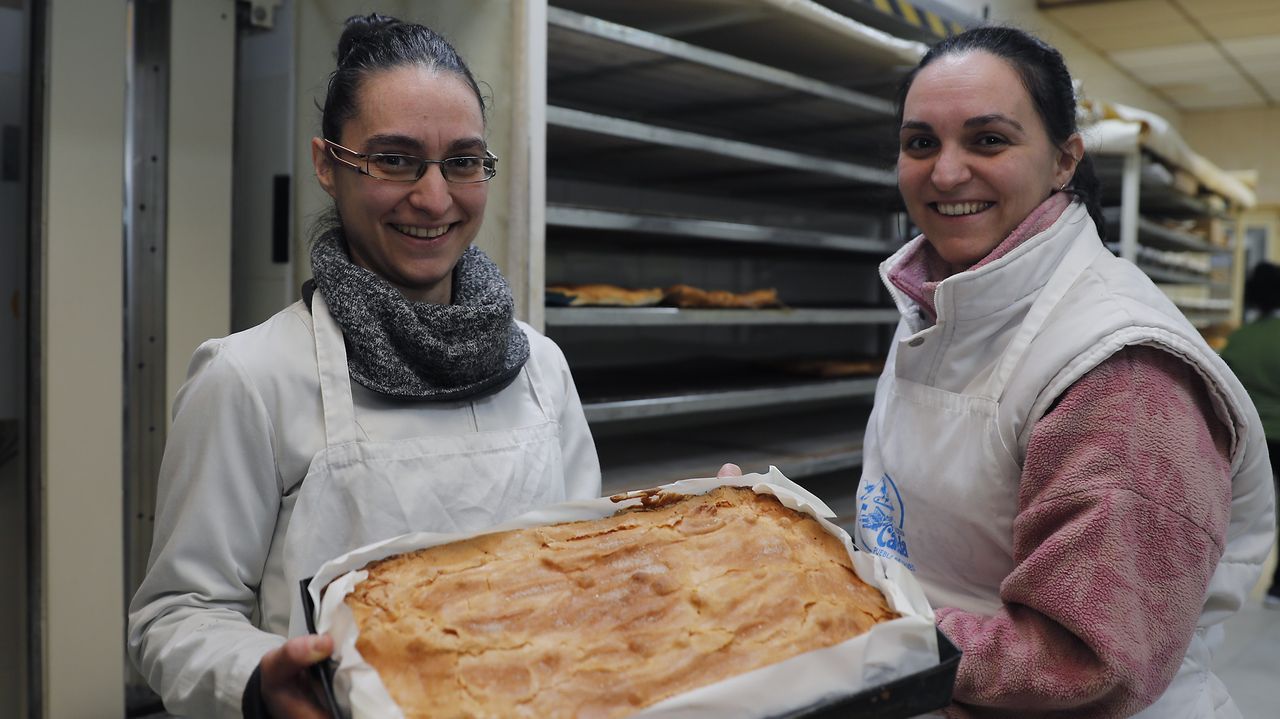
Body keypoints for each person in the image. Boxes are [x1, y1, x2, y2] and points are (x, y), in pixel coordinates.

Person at [127, 14, 601, 719]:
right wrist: (259, 679)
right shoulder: (247, 378)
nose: (435, 198)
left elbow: (587, 571)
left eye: (463, 161)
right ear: (327, 164)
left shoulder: (540, 366)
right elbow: (177, 613)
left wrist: (703, 532)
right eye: (395, 160)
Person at [847, 25, 1274, 719]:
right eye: (921, 142)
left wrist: (854, 626)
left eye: (988, 139)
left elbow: (1085, 661)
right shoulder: (942, 304)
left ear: (1063, 159)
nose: (946, 172)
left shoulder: (1119, 369)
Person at [1221, 261, 1280, 607]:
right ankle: (1277, 587)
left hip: (1250, 440)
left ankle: (1225, 583)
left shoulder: (1239, 339)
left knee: (1241, 513)